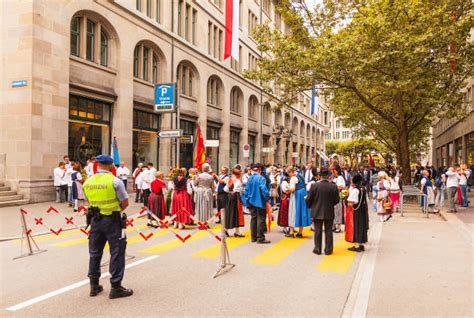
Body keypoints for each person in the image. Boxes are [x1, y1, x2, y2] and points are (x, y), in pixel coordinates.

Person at [82, 154, 133, 299]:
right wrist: (113, 210)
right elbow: (125, 203)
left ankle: (94, 286)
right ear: (111, 165)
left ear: (97, 165)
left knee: (95, 253)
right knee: (117, 252)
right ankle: (116, 287)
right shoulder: (115, 181)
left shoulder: (88, 182)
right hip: (112, 221)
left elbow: (88, 200)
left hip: (95, 221)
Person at [306, 168, 340, 255]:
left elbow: (309, 199)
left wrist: (310, 206)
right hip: (329, 210)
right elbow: (337, 200)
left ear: (320, 176)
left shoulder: (314, 186)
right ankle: (328, 250)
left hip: (317, 210)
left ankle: (317, 249)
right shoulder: (333, 186)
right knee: (329, 230)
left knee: (318, 230)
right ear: (328, 176)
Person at [241, 163, 270, 244]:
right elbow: (264, 190)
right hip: (260, 202)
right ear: (259, 170)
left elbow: (246, 190)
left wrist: (247, 201)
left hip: (251, 202)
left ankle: (253, 237)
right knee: (261, 219)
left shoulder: (250, 178)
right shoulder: (261, 178)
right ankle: (260, 238)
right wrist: (267, 199)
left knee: (253, 219)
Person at [286, 167, 312, 238]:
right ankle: (300, 232)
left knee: (292, 212)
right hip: (303, 194)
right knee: (301, 212)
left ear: (291, 172)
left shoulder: (293, 178)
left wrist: (286, 187)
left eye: (288, 173)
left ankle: (291, 232)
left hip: (296, 196)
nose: (288, 175)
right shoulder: (300, 176)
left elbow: (292, 189)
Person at [346, 174, 369, 252]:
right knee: (362, 226)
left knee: (356, 226)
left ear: (354, 182)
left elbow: (352, 202)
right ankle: (361, 244)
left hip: (357, 210)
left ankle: (356, 246)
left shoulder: (355, 190)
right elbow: (367, 200)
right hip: (363, 209)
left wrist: (345, 201)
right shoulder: (363, 188)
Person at [224, 168, 245, 237]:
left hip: (229, 198)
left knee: (229, 213)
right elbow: (236, 189)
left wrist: (230, 191)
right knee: (237, 214)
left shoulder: (229, 180)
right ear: (238, 174)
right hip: (236, 198)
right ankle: (237, 232)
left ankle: (226, 230)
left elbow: (225, 189)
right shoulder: (238, 181)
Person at [332, 165, 346, 233]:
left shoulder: (340, 178)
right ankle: (334, 225)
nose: (333, 172)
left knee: (338, 211)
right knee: (334, 211)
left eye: (334, 170)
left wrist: (334, 186)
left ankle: (338, 227)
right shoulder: (334, 178)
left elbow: (341, 187)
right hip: (334, 196)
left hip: (338, 196)